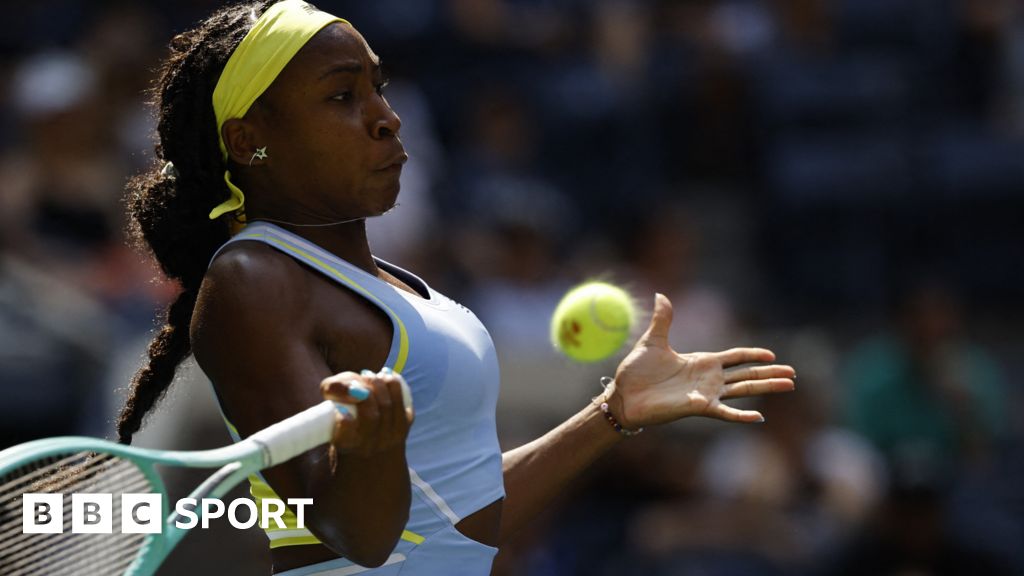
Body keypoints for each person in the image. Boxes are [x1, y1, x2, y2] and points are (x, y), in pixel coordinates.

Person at [115, 1, 796, 574]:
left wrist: (613, 413)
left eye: (379, 88)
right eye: (342, 95)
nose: (387, 117)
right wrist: (372, 451)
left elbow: (462, 519)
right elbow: (352, 536)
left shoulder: (396, 286)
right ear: (249, 139)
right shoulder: (253, 280)